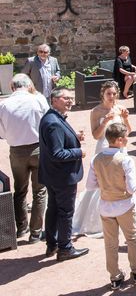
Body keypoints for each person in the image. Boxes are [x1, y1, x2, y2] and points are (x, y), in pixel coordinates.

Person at [85, 123, 136, 290]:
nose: (127, 139)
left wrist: (106, 185)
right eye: (125, 137)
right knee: (131, 238)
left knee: (110, 242)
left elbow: (90, 186)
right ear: (119, 140)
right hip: (124, 204)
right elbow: (132, 188)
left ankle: (115, 276)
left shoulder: (96, 159)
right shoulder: (126, 160)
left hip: (106, 206)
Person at [73, 81, 131, 237]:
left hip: (120, 148)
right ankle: (99, 220)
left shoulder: (120, 109)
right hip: (104, 148)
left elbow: (128, 132)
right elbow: (96, 135)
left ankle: (123, 215)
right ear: (103, 95)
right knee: (102, 181)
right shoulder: (96, 111)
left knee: (122, 179)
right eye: (108, 94)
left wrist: (125, 119)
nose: (111, 97)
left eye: (113, 94)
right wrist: (105, 120)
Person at [39, 88, 89, 261]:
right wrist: (78, 152)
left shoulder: (52, 118)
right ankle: (65, 248)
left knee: (53, 209)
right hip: (62, 176)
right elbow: (57, 153)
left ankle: (52, 244)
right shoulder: (53, 122)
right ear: (54, 100)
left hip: (53, 175)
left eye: (72, 98)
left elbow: (56, 143)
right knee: (65, 212)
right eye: (66, 98)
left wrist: (73, 137)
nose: (70, 101)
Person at [0, 74, 49, 242]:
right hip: (37, 148)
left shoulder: (4, 104)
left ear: (13, 87)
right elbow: (47, 123)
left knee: (20, 190)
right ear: (29, 85)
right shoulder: (38, 99)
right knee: (40, 191)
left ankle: (22, 228)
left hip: (16, 151)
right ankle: (35, 232)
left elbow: (1, 132)